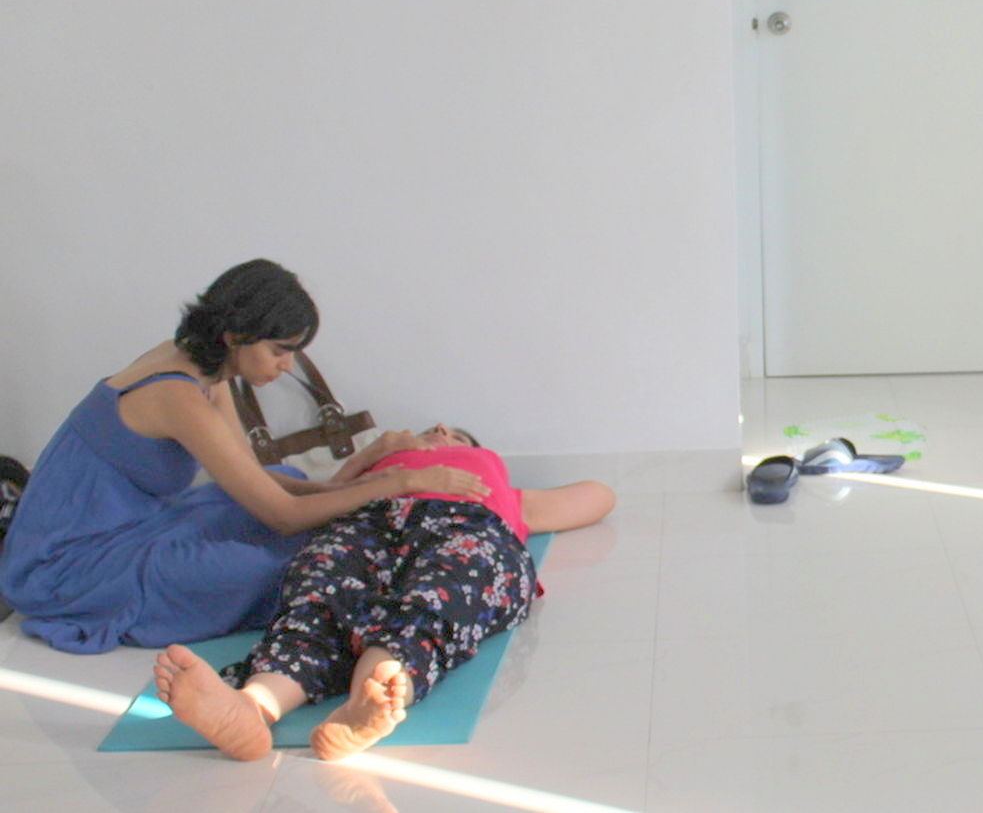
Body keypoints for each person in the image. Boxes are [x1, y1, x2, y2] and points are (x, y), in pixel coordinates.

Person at [0, 260, 488, 653]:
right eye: (279, 350)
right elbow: (283, 516)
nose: (287, 365)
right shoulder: (177, 394)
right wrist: (396, 483)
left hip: (130, 530)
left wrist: (338, 488)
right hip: (65, 568)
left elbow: (254, 473)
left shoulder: (205, 367)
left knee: (285, 484)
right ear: (234, 336)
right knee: (276, 563)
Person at [149, 423, 616, 761]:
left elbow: (598, 496)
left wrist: (509, 498)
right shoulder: (378, 469)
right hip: (366, 523)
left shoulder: (493, 484)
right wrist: (374, 453)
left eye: (455, 435)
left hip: (465, 525)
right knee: (317, 599)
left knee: (437, 597)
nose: (439, 431)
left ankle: (370, 699)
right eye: (431, 430)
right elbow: (325, 494)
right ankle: (252, 708)